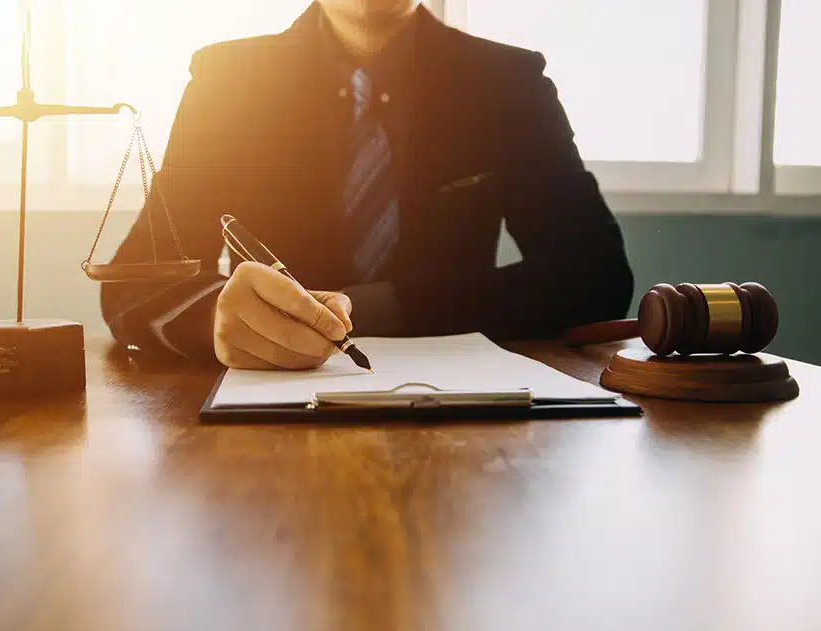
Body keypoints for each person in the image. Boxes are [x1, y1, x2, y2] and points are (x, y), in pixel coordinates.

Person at [101, 0, 634, 370]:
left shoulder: (507, 83)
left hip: (464, 419)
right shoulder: (226, 82)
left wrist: (388, 306)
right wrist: (215, 317)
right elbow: (132, 284)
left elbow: (596, 276)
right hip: (268, 409)